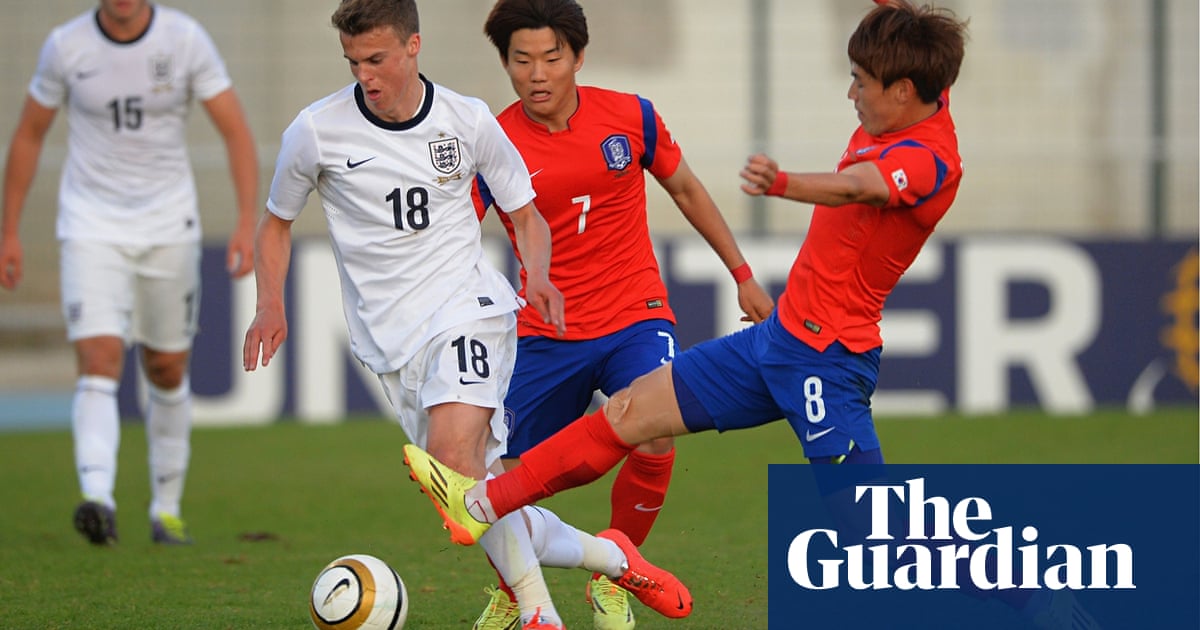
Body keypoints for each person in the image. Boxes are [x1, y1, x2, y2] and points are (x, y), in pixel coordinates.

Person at [404, 0, 967, 568]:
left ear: (902, 90)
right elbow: (914, 42)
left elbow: (860, 188)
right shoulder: (916, 94)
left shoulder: (929, 159)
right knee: (630, 412)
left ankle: (1029, 598)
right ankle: (485, 503)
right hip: (775, 341)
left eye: (860, 82)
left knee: (870, 523)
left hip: (828, 358)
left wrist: (783, 183)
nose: (852, 94)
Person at [241, 2, 691, 628]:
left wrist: (535, 275)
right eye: (353, 63)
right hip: (390, 340)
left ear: (413, 46)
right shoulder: (316, 131)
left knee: (458, 463)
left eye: (377, 60)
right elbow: (277, 223)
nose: (365, 76)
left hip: (467, 309)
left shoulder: (468, 120)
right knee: (473, 498)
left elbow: (526, 215)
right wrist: (269, 302)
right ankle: (614, 559)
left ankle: (538, 613)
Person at [470, 1, 775, 628]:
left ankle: (617, 573)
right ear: (505, 63)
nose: (537, 74)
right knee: (499, 475)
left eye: (551, 58)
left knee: (654, 428)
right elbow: (455, 238)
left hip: (635, 313)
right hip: (543, 331)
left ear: (578, 57)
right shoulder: (490, 141)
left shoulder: (631, 117)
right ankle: (516, 583)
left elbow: (686, 188)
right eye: (521, 60)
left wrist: (742, 274)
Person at [0, 0, 259, 546]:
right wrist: (9, 230)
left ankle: (166, 509)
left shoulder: (184, 39)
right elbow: (28, 133)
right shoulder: (65, 46)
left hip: (169, 225)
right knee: (98, 357)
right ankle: (99, 499)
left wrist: (243, 222)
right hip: (91, 224)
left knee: (166, 367)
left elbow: (235, 130)